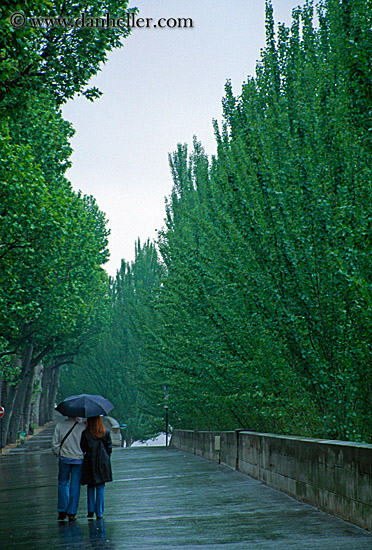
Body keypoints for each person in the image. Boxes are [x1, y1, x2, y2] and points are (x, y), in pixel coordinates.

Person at [52, 416, 86, 521]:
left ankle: (62, 510)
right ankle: (72, 512)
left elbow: (54, 443)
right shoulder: (82, 427)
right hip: (78, 459)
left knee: (63, 483)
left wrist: (59, 454)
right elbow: (85, 444)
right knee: (75, 485)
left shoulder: (60, 425)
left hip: (64, 458)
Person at [80, 415, 113, 520]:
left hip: (90, 461)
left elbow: (83, 447)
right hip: (102, 462)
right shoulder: (105, 433)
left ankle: (90, 510)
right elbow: (109, 448)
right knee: (100, 487)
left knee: (91, 486)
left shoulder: (85, 434)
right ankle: (99, 512)